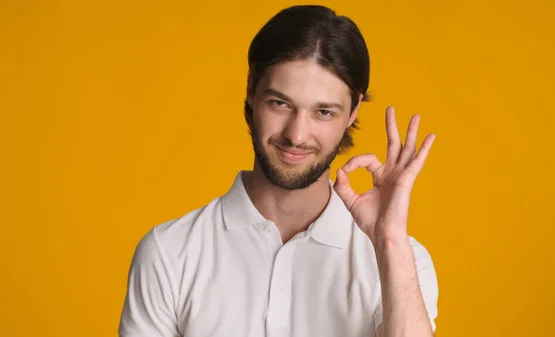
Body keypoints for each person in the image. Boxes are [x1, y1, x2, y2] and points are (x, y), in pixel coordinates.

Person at [118, 4, 438, 337]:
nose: (296, 135)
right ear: (251, 90)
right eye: (280, 103)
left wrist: (389, 242)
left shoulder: (400, 261)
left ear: (353, 111)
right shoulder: (170, 252)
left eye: (324, 112)